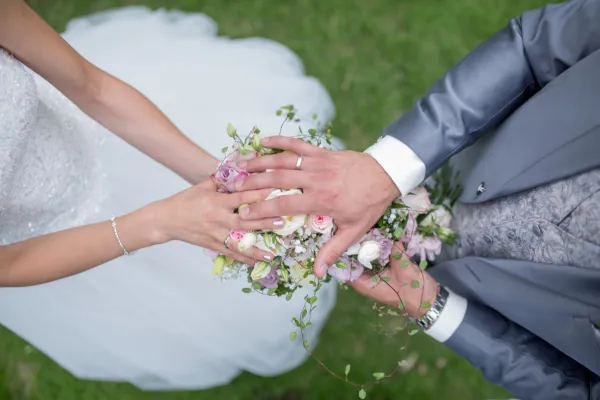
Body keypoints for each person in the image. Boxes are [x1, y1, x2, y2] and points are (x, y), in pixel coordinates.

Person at [237, 0, 600, 398]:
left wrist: (432, 305)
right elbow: (537, 46)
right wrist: (390, 168)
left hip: (482, 294)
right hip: (470, 167)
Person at [0, 1, 338, 390]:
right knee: (168, 314)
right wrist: (158, 222)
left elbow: (90, 85)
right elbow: (7, 265)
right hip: (50, 242)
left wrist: (216, 176)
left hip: (102, 137)